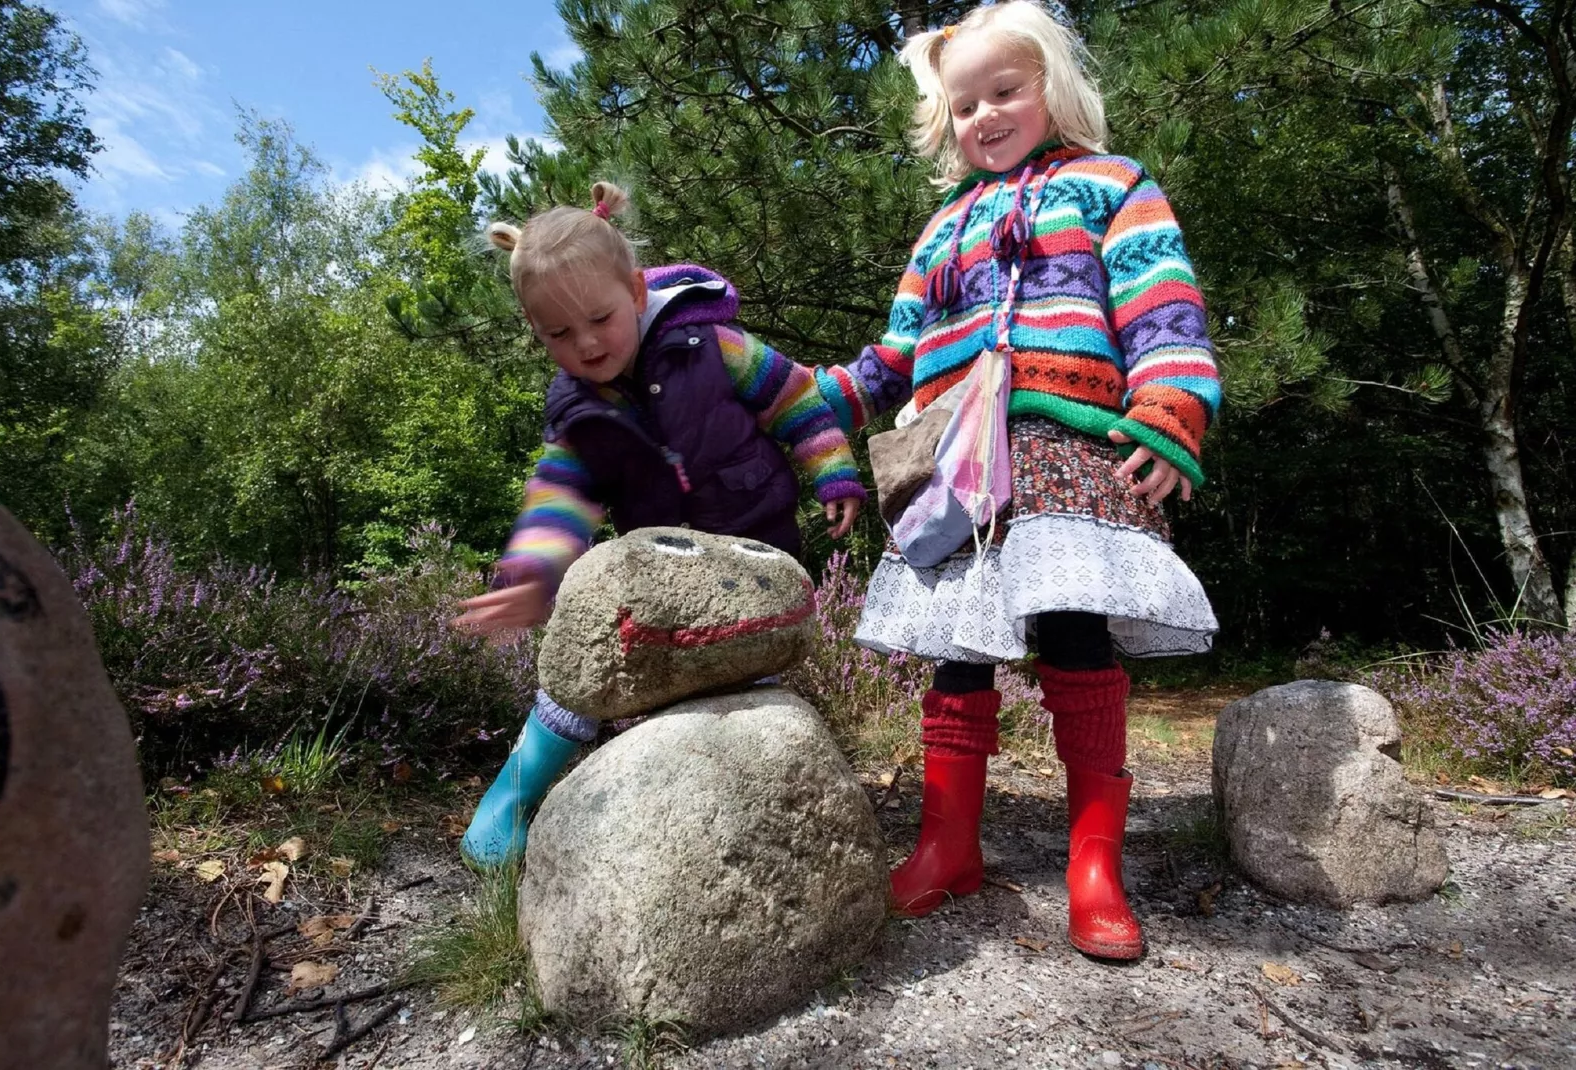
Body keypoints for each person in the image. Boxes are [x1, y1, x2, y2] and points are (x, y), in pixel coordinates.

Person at [816, 1, 1221, 959]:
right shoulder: (942, 228)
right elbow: (894, 353)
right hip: (958, 470)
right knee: (959, 647)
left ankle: (1095, 866)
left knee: (1076, 636)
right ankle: (947, 842)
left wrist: (1171, 410)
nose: (986, 116)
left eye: (1006, 91)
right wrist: (812, 397)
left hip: (1071, 451)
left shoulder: (1112, 187)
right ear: (945, 123)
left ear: (1053, 88)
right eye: (965, 106)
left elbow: (1164, 309)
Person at [451, 182, 866, 869]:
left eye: (599, 319)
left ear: (638, 293)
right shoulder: (579, 414)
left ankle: (754, 811)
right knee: (592, 656)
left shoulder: (713, 346)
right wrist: (535, 575)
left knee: (745, 681)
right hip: (659, 570)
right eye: (558, 334)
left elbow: (794, 397)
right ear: (536, 334)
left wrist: (833, 470)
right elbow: (560, 498)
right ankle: (515, 792)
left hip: (752, 556)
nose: (584, 345)